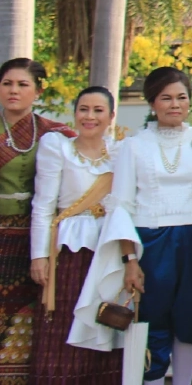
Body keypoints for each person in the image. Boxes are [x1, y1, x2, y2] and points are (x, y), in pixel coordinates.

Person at [103, 68, 192, 385]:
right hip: (151, 242)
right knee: (151, 320)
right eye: (166, 98)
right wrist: (130, 260)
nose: (175, 104)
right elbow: (121, 206)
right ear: (152, 102)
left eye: (181, 97)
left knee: (190, 320)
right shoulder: (134, 146)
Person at [28, 87, 121, 385]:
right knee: (63, 327)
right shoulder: (58, 147)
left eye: (98, 110)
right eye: (83, 109)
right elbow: (43, 205)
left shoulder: (121, 153)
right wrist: (39, 256)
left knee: (104, 322)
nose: (90, 116)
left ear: (110, 116)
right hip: (68, 252)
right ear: (75, 113)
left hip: (108, 252)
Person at [0, 59, 75, 385]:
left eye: (22, 84)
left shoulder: (56, 135)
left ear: (38, 90)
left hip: (33, 244)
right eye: (7, 84)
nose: (13, 90)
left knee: (26, 320)